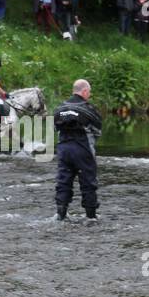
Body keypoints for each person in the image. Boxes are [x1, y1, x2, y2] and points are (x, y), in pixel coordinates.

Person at [53, 79, 102, 221]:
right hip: (83, 150)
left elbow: (54, 129)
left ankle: (61, 214)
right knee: (88, 183)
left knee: (63, 182)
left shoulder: (59, 109)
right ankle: (91, 217)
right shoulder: (89, 109)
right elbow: (97, 131)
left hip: (63, 151)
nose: (89, 95)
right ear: (85, 91)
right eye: (89, 93)